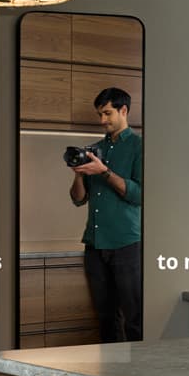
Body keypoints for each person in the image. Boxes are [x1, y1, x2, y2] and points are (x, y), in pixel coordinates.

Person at [69, 87, 142, 342]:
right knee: (105, 318)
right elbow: (78, 199)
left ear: (124, 111)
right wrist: (79, 174)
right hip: (95, 245)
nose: (103, 120)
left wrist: (103, 171)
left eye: (108, 113)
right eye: (100, 114)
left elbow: (139, 195)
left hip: (127, 243)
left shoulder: (139, 146)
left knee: (135, 318)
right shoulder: (95, 149)